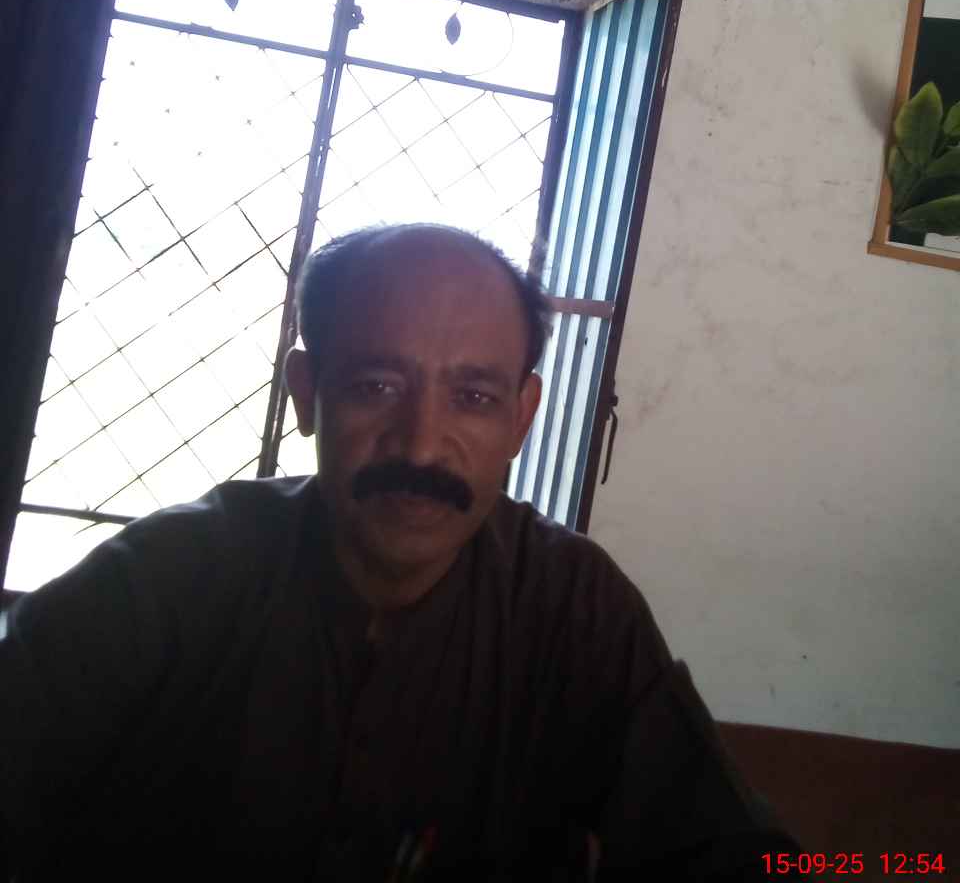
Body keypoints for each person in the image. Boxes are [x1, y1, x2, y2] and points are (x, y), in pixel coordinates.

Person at [0, 223, 802, 880]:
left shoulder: (574, 609)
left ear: (521, 419)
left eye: (474, 398)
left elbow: (732, 856)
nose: (421, 445)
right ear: (308, 395)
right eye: (375, 387)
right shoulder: (171, 579)